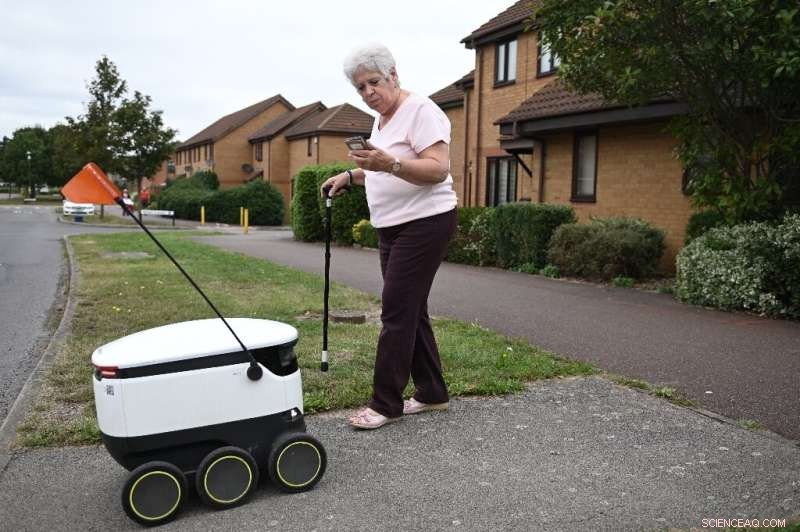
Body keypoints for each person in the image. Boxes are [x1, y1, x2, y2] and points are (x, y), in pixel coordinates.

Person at [321, 44, 458, 430]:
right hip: (393, 226)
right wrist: (351, 175)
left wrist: (390, 163)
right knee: (411, 309)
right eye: (360, 87)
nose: (368, 93)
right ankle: (432, 392)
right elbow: (382, 168)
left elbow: (437, 169)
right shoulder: (381, 121)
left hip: (425, 223)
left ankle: (385, 403)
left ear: (393, 75)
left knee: (396, 310)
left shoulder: (422, 111)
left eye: (374, 82)